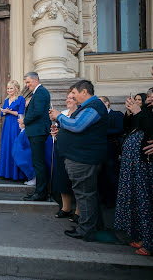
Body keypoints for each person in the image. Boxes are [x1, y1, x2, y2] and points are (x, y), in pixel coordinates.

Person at [50, 80, 108, 240]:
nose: (73, 97)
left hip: (83, 159)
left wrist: (59, 116)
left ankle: (86, 230)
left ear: (84, 92)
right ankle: (93, 226)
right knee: (87, 194)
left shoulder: (94, 106)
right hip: (81, 157)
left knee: (84, 195)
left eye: (74, 93)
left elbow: (77, 126)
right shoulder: (88, 107)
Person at [115, 86, 153, 256]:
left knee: (145, 201)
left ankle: (149, 242)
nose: (140, 101)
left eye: (142, 99)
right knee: (137, 200)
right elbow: (128, 129)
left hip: (144, 164)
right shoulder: (144, 112)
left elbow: (149, 130)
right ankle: (143, 237)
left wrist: (139, 112)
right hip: (135, 164)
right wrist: (131, 114)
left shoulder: (145, 113)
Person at [18, 72, 51, 201]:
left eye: (28, 82)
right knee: (37, 162)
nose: (27, 85)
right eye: (26, 82)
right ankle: (39, 191)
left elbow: (37, 112)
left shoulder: (41, 92)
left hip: (38, 132)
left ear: (36, 79)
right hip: (36, 132)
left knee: (38, 163)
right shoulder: (37, 92)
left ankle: (41, 193)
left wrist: (24, 121)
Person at [51, 89, 80, 222]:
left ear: (77, 100)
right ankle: (66, 207)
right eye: (67, 98)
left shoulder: (80, 114)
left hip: (74, 152)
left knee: (76, 181)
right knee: (62, 179)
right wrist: (56, 133)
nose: (68, 100)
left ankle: (78, 211)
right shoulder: (62, 113)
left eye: (71, 98)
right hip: (60, 150)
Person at [98, 96, 124, 208]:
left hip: (111, 150)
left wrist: (102, 132)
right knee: (101, 176)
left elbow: (119, 129)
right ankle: (102, 199)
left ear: (107, 103)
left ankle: (112, 201)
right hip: (99, 151)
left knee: (111, 176)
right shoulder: (96, 117)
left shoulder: (116, 115)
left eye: (101, 103)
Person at [0, 80, 26, 180]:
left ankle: (17, 174)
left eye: (11, 88)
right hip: (7, 125)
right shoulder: (6, 100)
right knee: (7, 146)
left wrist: (9, 111)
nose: (9, 90)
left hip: (16, 124)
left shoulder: (21, 99)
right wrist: (4, 112)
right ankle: (7, 173)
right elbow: (2, 114)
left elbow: (21, 113)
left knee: (15, 146)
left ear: (16, 89)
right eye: (8, 88)